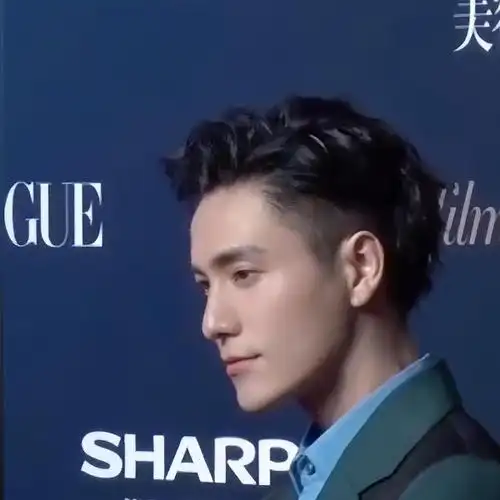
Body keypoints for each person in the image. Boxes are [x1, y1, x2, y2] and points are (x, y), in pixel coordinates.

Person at [162, 95, 500, 499]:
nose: (213, 323)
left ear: (361, 268)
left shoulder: (454, 485)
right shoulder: (304, 483)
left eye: (243, 275)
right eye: (205, 285)